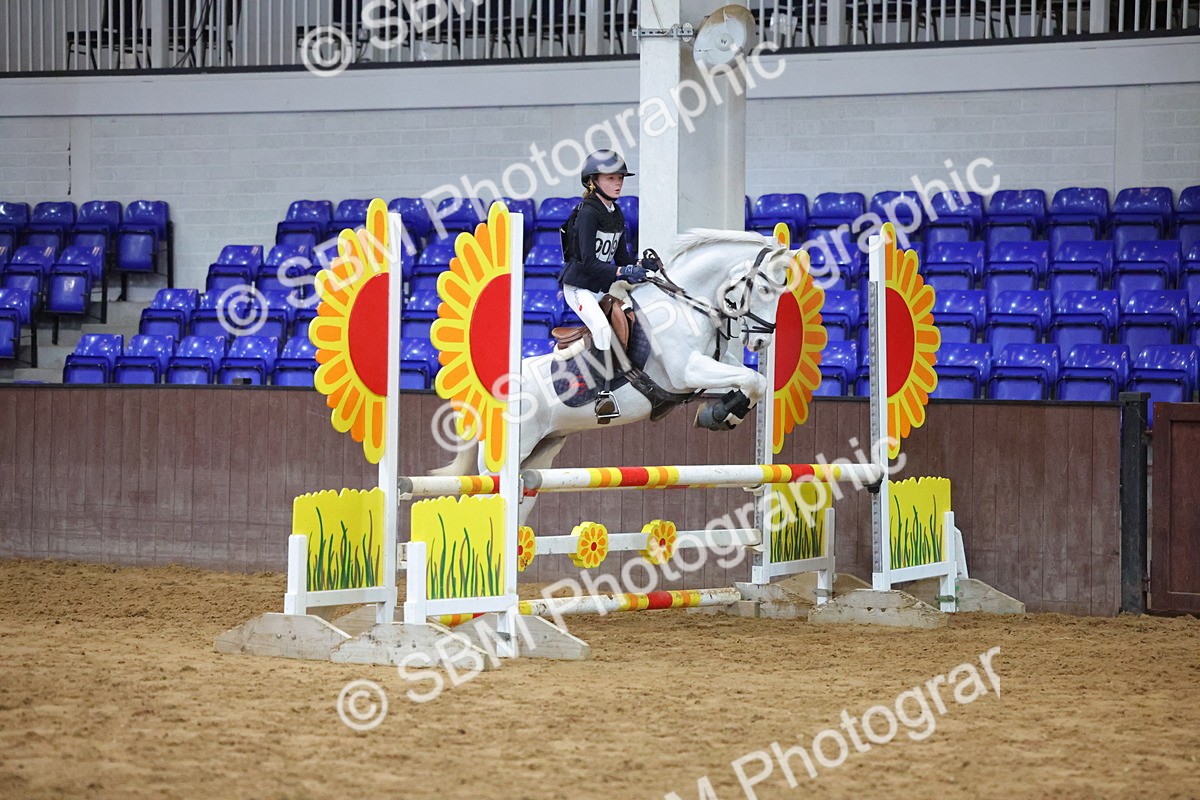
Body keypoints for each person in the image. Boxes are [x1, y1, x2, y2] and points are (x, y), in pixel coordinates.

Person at [560, 149, 659, 419]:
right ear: (593, 181)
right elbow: (589, 263)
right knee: (602, 330)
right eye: (611, 178)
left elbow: (622, 258)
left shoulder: (616, 213)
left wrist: (640, 266)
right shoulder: (588, 213)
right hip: (580, 288)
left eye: (620, 178)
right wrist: (623, 270)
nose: (618, 183)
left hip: (601, 288)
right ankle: (602, 395)